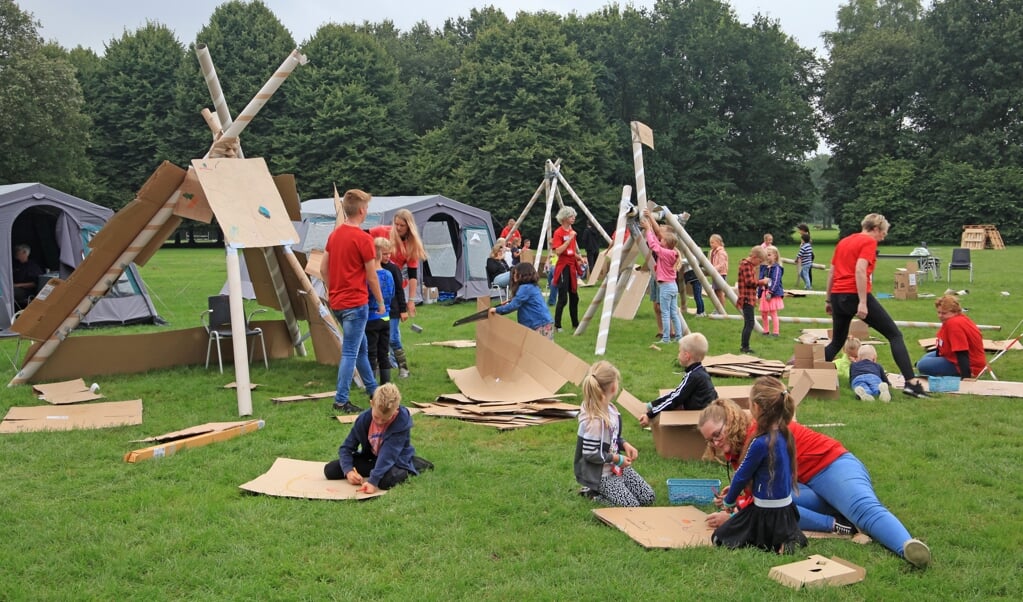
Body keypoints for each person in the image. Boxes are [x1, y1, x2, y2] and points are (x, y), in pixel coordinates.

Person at [698, 386, 932, 568]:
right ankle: (840, 522)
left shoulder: (755, 437)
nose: (715, 443)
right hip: (805, 483)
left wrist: (735, 516)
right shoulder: (740, 446)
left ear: (731, 421)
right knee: (777, 509)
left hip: (832, 464)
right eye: (709, 440)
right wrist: (739, 493)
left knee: (863, 510)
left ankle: (908, 547)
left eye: (717, 434)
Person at [823, 213, 929, 398]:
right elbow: (860, 269)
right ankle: (911, 383)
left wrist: (828, 299)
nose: (883, 237)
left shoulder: (844, 242)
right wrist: (863, 302)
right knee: (895, 335)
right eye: (883, 233)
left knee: (837, 342)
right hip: (854, 293)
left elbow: (832, 272)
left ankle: (808, 374)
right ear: (876, 229)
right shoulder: (868, 242)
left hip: (838, 294)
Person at [710, 376, 807, 554]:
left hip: (764, 511)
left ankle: (776, 542)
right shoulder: (786, 435)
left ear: (757, 407)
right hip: (787, 511)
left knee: (719, 537)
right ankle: (785, 541)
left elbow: (741, 475)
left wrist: (729, 501)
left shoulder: (760, 442)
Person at [323, 189, 382, 413]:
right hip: (356, 304)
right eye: (366, 207)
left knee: (360, 349)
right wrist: (381, 302)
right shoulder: (363, 239)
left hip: (337, 302)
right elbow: (371, 275)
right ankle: (341, 399)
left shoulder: (335, 235)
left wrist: (332, 290)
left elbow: (322, 268)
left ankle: (373, 391)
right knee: (350, 351)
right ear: (361, 210)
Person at [324, 383, 432, 493]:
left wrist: (372, 481)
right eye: (376, 417)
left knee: (385, 482)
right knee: (330, 470)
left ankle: (414, 464)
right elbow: (346, 448)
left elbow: (388, 454)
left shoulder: (401, 421)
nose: (379, 422)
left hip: (395, 459)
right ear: (372, 404)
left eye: (385, 419)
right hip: (373, 459)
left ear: (395, 410)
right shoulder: (363, 419)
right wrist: (349, 471)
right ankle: (377, 471)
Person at [574, 360, 655, 506]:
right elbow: (590, 453)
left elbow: (613, 437)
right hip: (602, 475)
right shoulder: (594, 421)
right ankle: (593, 495)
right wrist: (617, 458)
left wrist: (625, 444)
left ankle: (608, 490)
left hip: (617, 468)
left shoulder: (611, 410)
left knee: (648, 497)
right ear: (613, 387)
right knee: (632, 506)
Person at [370, 209, 427, 379]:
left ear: (409, 227)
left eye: (402, 225)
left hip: (393, 295)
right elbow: (362, 235)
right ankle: (382, 366)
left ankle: (402, 366)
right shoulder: (382, 231)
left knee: (392, 336)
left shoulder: (401, 259)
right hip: (377, 295)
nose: (398, 228)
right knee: (379, 336)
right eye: (396, 224)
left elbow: (412, 276)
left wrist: (409, 302)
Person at [639, 332, 717, 427]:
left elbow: (675, 399)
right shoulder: (700, 371)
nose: (678, 355)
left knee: (673, 404)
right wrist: (652, 405)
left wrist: (650, 415)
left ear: (687, 356)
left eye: (679, 352)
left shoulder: (693, 376)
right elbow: (676, 393)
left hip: (700, 418)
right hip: (707, 413)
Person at [916, 294, 987, 378]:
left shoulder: (953, 324)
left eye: (944, 313)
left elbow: (962, 352)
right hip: (952, 355)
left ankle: (959, 373)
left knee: (922, 365)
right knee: (925, 358)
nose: (940, 316)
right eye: (938, 312)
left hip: (968, 363)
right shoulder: (957, 319)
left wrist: (966, 375)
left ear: (955, 312)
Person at [643, 209, 684, 344]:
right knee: (673, 313)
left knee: (665, 313)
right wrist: (650, 225)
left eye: (663, 240)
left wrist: (648, 229)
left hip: (665, 287)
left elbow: (653, 244)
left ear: (666, 243)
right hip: (672, 286)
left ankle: (666, 338)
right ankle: (679, 336)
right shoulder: (672, 252)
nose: (661, 240)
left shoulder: (664, 253)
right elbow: (657, 239)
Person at [490, 263, 554, 339]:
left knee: (538, 349)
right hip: (543, 322)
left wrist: (496, 310)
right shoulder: (532, 286)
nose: (513, 276)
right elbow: (519, 302)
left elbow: (513, 306)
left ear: (522, 275)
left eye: (515, 273)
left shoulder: (525, 288)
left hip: (538, 324)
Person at [366, 237, 396, 385]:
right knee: (384, 352)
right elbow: (392, 293)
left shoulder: (368, 277)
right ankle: (386, 384)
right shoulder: (388, 275)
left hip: (371, 318)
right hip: (386, 318)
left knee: (371, 353)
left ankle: (371, 385)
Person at [379, 238, 409, 377]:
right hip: (378, 310)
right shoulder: (372, 268)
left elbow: (399, 290)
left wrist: (403, 310)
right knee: (381, 339)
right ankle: (384, 365)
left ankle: (404, 368)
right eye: (384, 254)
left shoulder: (393, 268)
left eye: (389, 253)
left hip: (394, 310)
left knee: (393, 338)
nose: (388, 256)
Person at [552, 207, 581, 332]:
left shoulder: (572, 231)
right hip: (563, 266)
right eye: (571, 216)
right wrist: (569, 238)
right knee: (563, 298)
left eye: (574, 216)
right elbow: (558, 251)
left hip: (572, 265)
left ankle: (575, 324)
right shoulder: (558, 233)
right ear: (564, 219)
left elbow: (571, 251)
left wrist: (579, 257)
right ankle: (557, 325)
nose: (573, 218)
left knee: (574, 296)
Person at [736, 246, 767, 354]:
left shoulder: (748, 265)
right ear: (754, 257)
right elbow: (750, 282)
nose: (759, 264)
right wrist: (761, 282)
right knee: (750, 323)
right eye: (759, 261)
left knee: (748, 323)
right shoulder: (746, 265)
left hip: (749, 297)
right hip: (746, 298)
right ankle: (745, 347)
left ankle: (744, 346)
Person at [757, 245, 784, 338]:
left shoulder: (776, 268)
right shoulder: (764, 267)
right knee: (763, 313)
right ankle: (766, 330)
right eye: (766, 255)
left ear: (775, 256)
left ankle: (776, 332)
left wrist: (771, 292)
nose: (767, 257)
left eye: (769, 255)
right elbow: (760, 280)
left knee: (773, 312)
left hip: (772, 293)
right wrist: (759, 294)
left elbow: (776, 280)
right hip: (764, 292)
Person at [11, 243, 43, 309]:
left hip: (27, 292)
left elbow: (35, 283)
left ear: (24, 253)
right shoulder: (17, 265)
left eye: (18, 253)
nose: (16, 256)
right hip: (15, 287)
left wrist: (18, 285)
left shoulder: (33, 266)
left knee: (11, 290)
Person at [709, 234, 729, 310]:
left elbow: (721, 264)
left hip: (721, 274)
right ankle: (718, 307)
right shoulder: (713, 252)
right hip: (716, 274)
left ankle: (722, 308)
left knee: (720, 292)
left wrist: (713, 269)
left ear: (718, 242)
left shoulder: (721, 252)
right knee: (716, 291)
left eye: (712, 242)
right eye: (710, 243)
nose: (711, 244)